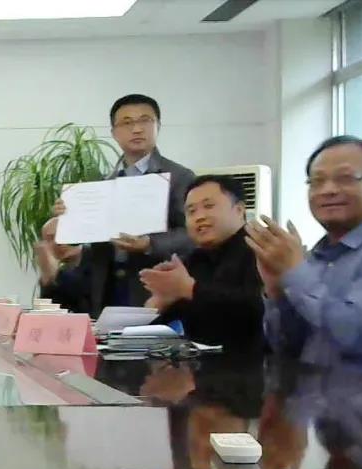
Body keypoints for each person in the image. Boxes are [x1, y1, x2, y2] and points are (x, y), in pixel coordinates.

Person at [247, 136, 362, 380]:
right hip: (316, 400)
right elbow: (288, 348)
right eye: (317, 181)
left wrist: (295, 272)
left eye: (345, 178)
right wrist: (277, 292)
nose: (328, 190)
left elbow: (355, 334)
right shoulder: (315, 256)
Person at [51, 94, 196, 316]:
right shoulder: (103, 183)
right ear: (114, 133)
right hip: (108, 287)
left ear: (158, 126)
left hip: (154, 289)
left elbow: (191, 235)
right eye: (127, 123)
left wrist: (149, 243)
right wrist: (69, 219)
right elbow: (91, 243)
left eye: (145, 120)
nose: (136, 129)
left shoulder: (179, 177)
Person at [139, 175, 263, 350]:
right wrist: (158, 304)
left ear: (239, 209)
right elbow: (170, 321)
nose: (199, 217)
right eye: (191, 211)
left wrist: (189, 289)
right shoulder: (194, 259)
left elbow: (258, 310)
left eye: (209, 206)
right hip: (202, 361)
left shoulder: (263, 248)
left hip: (255, 361)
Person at [34, 217, 90, 311]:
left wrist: (55, 274)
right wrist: (47, 280)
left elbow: (84, 298)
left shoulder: (95, 258)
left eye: (52, 238)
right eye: (46, 240)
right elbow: (49, 308)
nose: (47, 245)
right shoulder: (59, 266)